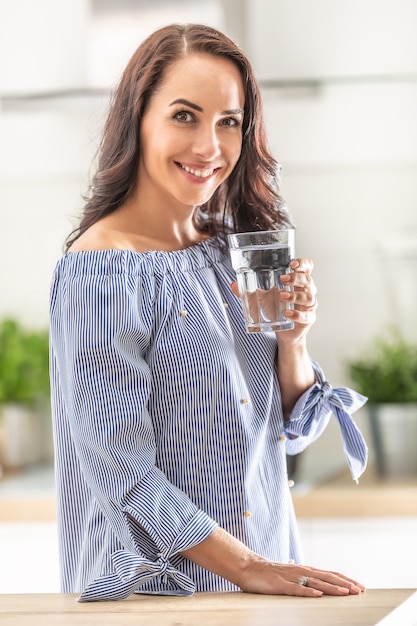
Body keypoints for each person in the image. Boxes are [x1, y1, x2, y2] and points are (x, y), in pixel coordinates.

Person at [49, 23, 368, 602]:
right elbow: (118, 463)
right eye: (184, 116)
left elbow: (288, 436)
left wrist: (293, 342)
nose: (210, 147)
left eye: (229, 122)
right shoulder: (100, 270)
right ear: (137, 119)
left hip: (268, 582)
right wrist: (245, 566)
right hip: (156, 595)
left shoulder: (231, 250)